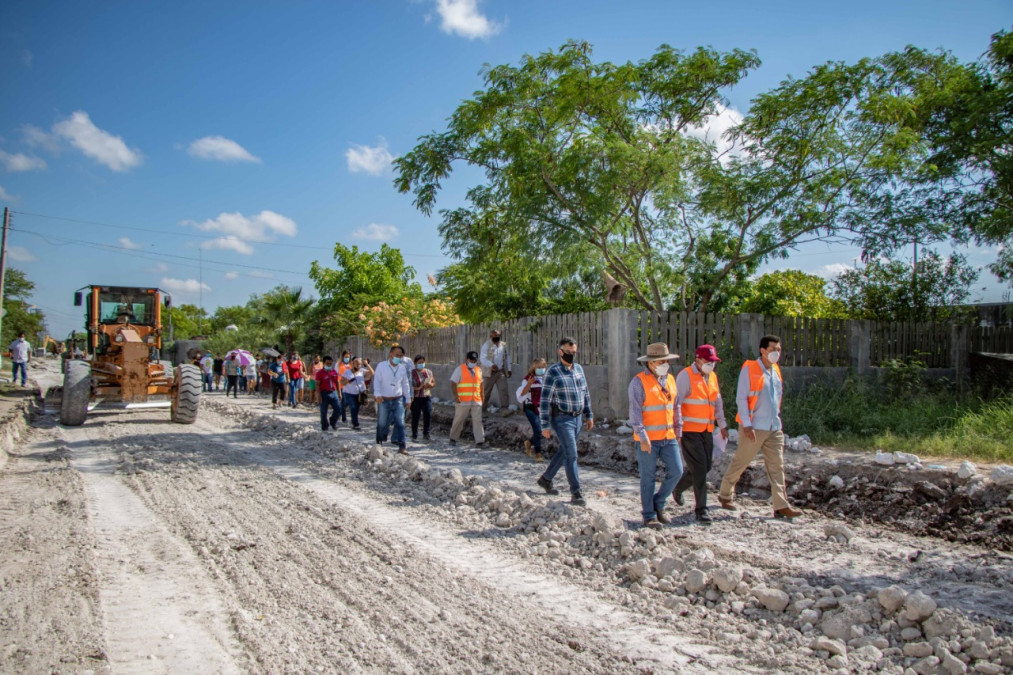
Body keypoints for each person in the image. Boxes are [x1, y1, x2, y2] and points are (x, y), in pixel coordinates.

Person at [719, 335, 803, 520]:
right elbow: (741, 397)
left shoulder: (775, 370)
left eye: (778, 349)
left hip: (774, 426)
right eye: (773, 349)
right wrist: (747, 424)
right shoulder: (750, 368)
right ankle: (725, 493)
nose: (776, 353)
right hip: (754, 426)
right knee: (741, 461)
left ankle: (781, 505)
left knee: (777, 466)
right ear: (763, 350)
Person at [628, 343, 684, 529]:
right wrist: (642, 436)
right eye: (661, 361)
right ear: (650, 363)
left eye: (666, 361)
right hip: (648, 439)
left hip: (668, 437)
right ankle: (649, 515)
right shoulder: (638, 382)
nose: (665, 364)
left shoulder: (670, 380)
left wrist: (678, 429)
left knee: (677, 471)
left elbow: (675, 406)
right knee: (648, 477)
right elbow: (635, 412)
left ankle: (658, 502)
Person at [671, 344, 728, 525]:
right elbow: (676, 404)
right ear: (698, 360)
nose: (711, 365)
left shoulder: (712, 377)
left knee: (705, 466)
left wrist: (722, 424)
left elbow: (717, 402)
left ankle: (678, 487)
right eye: (708, 361)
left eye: (713, 362)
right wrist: (677, 428)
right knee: (701, 469)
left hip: (707, 430)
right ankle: (701, 509)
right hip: (689, 431)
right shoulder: (685, 376)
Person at [536, 337, 593, 506]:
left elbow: (585, 392)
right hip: (561, 418)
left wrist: (589, 414)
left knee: (565, 450)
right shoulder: (553, 372)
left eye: (574, 352)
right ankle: (576, 492)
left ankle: (546, 479)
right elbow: (544, 400)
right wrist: (545, 425)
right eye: (568, 352)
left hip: (577, 418)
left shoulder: (579, 369)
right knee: (571, 454)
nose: (571, 355)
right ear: (560, 352)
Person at [373, 345, 412, 454]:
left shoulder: (402, 368)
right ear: (390, 354)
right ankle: (379, 444)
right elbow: (377, 381)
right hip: (384, 400)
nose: (398, 357)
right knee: (381, 423)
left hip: (398, 399)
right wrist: (377, 394)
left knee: (400, 423)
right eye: (396, 355)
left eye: (400, 356)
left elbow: (405, 384)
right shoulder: (381, 366)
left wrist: (408, 399)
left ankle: (402, 446)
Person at [449, 351, 485, 446]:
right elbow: (453, 383)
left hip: (476, 400)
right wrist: (456, 397)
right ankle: (453, 438)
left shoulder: (478, 370)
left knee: (477, 420)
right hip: (463, 400)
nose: (473, 362)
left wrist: (482, 396)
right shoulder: (459, 369)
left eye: (475, 361)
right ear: (467, 359)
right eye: (471, 360)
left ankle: (480, 441)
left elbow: (481, 384)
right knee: (459, 419)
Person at [517, 358, 547, 461]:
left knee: (541, 431)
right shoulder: (528, 379)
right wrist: (529, 384)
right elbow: (521, 394)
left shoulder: (545, 379)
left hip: (541, 408)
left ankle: (529, 443)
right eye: (539, 367)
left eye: (543, 367)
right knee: (537, 429)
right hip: (530, 407)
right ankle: (538, 454)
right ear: (534, 368)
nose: (541, 369)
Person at [479, 329, 511, 412]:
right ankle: (481, 410)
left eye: (498, 335)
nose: (496, 337)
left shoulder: (503, 345)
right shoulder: (486, 345)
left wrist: (509, 369)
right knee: (485, 392)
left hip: (500, 372)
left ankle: (505, 409)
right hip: (489, 373)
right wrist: (491, 365)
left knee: (503, 390)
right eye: (494, 335)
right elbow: (482, 359)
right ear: (491, 336)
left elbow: (507, 357)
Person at [410, 354, 435, 441]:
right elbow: (408, 386)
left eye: (423, 362)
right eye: (419, 362)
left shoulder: (428, 372)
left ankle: (426, 433)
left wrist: (430, 385)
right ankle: (414, 434)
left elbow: (433, 382)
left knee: (428, 414)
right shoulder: (412, 373)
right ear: (415, 363)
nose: (421, 364)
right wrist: (418, 388)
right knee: (415, 416)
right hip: (416, 397)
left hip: (426, 396)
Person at [315, 355, 342, 431]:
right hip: (324, 393)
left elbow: (337, 382)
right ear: (323, 363)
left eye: (330, 363)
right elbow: (317, 385)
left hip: (333, 392)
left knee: (338, 408)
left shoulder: (334, 372)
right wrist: (318, 396)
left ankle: (333, 421)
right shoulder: (320, 373)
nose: (329, 365)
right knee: (324, 411)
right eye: (327, 364)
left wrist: (339, 393)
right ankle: (325, 426)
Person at [341, 356, 368, 431]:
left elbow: (372, 373)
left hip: (359, 394)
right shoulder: (347, 372)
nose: (358, 365)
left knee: (356, 409)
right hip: (349, 394)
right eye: (357, 364)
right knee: (353, 407)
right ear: (353, 364)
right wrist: (348, 381)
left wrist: (367, 364)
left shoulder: (362, 371)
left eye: (359, 364)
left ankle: (354, 421)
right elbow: (341, 382)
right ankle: (355, 424)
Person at [336, 349, 352, 423]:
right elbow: (335, 374)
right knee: (343, 402)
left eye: (348, 357)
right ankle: (344, 418)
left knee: (347, 402)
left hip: (349, 386)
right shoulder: (339, 364)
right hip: (341, 385)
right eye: (345, 357)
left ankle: (338, 413)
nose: (347, 358)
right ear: (342, 357)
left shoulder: (350, 365)